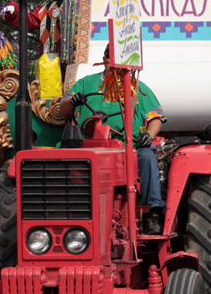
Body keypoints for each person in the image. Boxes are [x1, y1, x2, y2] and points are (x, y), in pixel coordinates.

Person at [59, 45, 166, 234]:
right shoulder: (86, 84)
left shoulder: (137, 89)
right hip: (87, 144)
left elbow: (155, 117)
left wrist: (148, 136)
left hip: (126, 146)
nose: (114, 65)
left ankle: (153, 211)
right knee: (59, 155)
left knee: (147, 157)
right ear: (105, 59)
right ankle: (57, 205)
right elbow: (63, 108)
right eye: (111, 59)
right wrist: (72, 101)